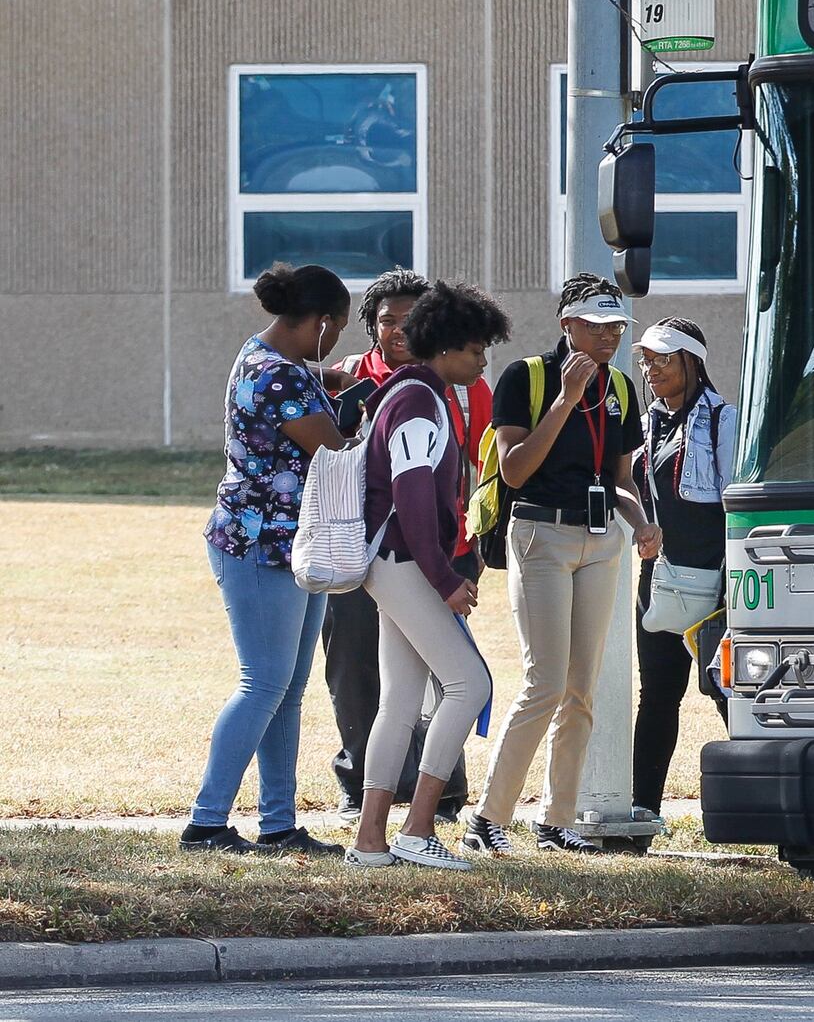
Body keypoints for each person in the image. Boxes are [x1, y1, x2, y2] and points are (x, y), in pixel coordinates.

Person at [462, 274, 659, 857]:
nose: (608, 337)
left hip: (601, 541)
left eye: (616, 327)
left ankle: (557, 819)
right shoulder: (526, 376)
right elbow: (516, 470)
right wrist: (566, 402)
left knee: (581, 690)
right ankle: (488, 817)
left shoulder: (621, 387)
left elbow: (619, 481)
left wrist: (642, 520)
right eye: (596, 325)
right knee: (544, 683)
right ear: (567, 324)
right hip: (540, 534)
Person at [183, 263, 352, 857]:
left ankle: (279, 825)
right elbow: (334, 450)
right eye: (337, 331)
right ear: (322, 322)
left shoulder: (267, 357)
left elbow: (311, 395)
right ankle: (206, 824)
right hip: (259, 545)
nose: (336, 343)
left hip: (290, 544)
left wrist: (335, 378)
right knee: (262, 684)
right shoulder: (278, 376)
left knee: (286, 688)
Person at [344, 281, 509, 870]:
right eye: (475, 349)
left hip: (390, 562)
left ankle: (370, 840)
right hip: (403, 562)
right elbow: (413, 501)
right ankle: (417, 829)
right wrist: (445, 579)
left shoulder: (409, 393)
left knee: (401, 699)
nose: (483, 360)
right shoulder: (418, 400)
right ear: (444, 346)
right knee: (470, 685)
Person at [630, 318, 735, 824]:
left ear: (693, 362)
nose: (651, 369)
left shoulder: (722, 420)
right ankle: (642, 812)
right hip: (660, 579)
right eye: (647, 360)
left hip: (715, 584)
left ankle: (759, 804)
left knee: (726, 692)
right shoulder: (648, 422)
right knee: (657, 696)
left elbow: (735, 506)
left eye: (663, 359)